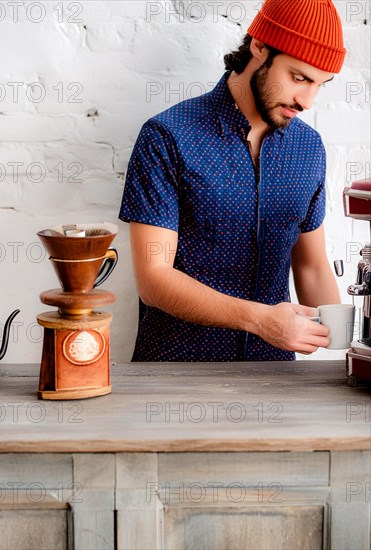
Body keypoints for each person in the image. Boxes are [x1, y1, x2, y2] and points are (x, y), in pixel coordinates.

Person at [119, 0, 346, 362]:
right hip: (174, 379)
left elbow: (311, 266)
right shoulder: (167, 136)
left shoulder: (309, 148)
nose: (307, 100)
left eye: (320, 84)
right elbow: (154, 279)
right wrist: (260, 320)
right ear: (259, 46)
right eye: (299, 77)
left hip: (275, 383)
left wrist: (351, 336)